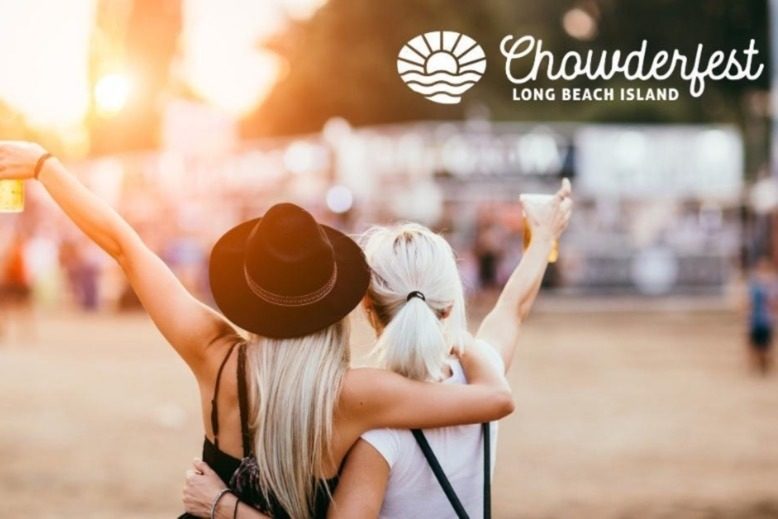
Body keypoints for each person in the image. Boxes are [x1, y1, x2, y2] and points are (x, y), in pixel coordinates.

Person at [0, 141, 513, 519]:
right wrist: (457, 332)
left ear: (249, 292)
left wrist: (46, 167)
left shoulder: (213, 355)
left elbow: (123, 245)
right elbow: (495, 399)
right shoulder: (359, 394)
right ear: (338, 301)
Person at [182, 180, 573, 518]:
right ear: (450, 304)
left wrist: (222, 504)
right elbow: (512, 308)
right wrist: (542, 238)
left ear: (366, 308)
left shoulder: (376, 430)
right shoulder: (480, 374)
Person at [746, 256, 776, 375]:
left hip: (765, 319)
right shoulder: (754, 283)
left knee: (764, 344)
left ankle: (763, 364)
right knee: (757, 344)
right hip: (756, 318)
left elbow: (774, 302)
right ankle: (759, 364)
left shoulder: (771, 283)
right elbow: (749, 301)